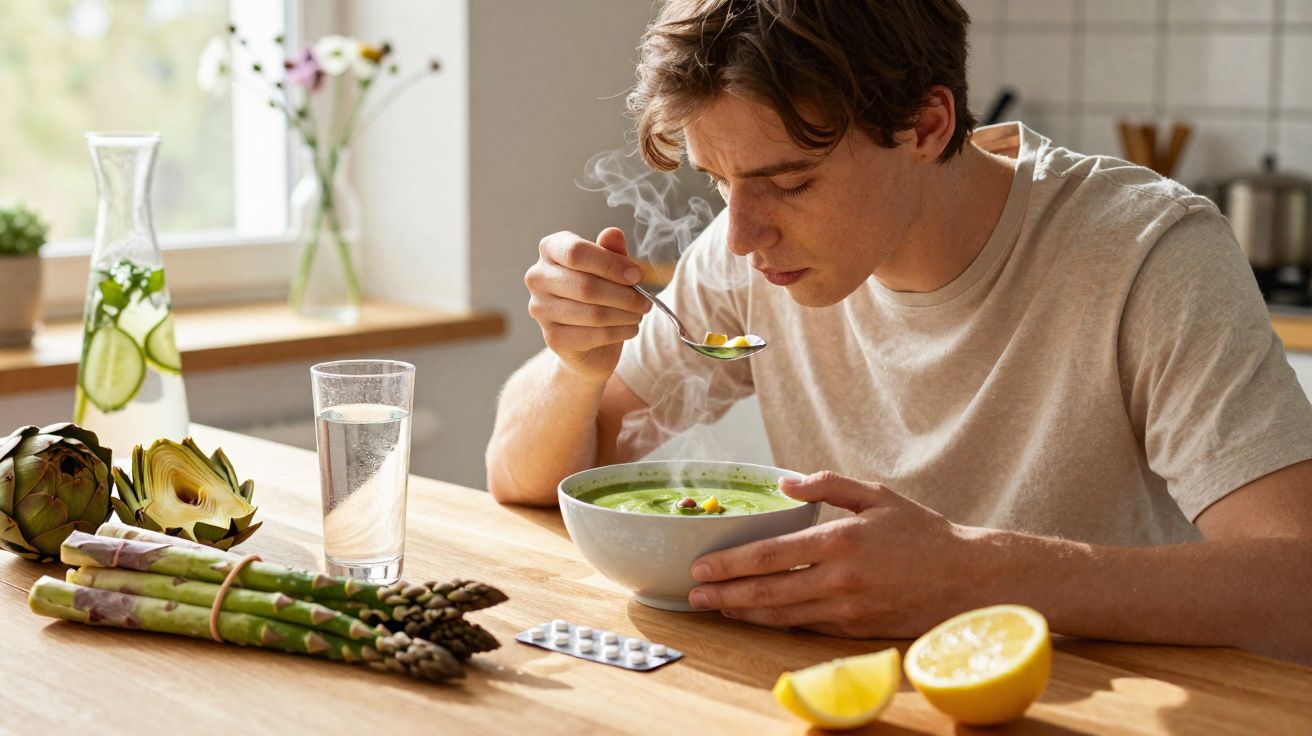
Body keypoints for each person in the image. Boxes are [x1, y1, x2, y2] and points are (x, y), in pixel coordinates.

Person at [485, 0, 1312, 662]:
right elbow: (524, 475)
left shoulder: (1145, 253)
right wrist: (574, 365)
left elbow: (1296, 585)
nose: (740, 235)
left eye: (792, 183)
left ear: (925, 126)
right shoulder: (743, 257)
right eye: (717, 180)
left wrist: (977, 574)